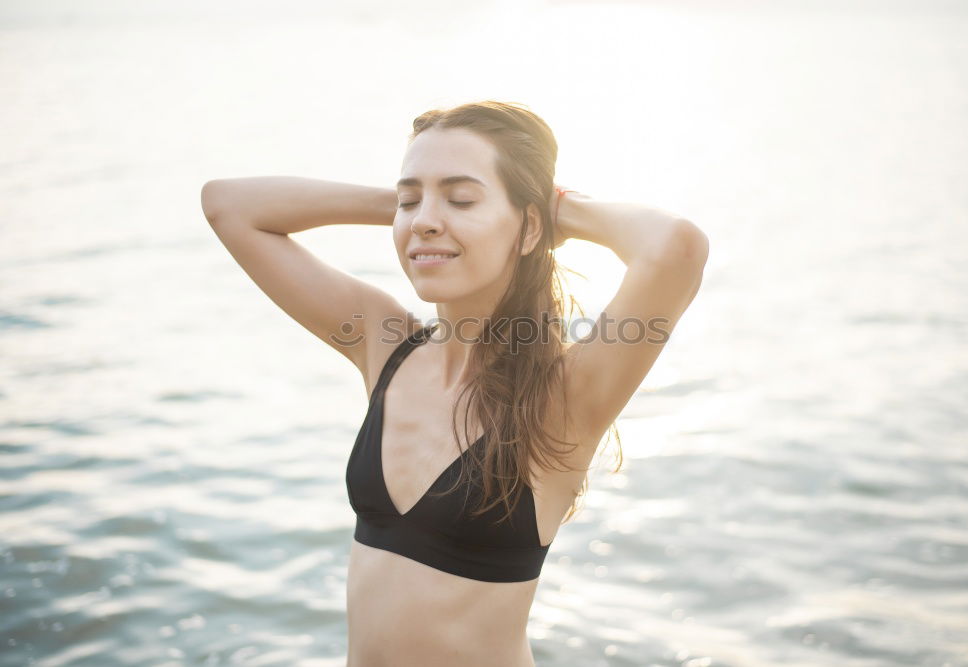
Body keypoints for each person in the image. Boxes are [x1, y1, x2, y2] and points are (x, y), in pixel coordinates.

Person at [200, 100, 708, 667]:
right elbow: (229, 205)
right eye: (409, 198)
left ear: (530, 225)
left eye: (463, 198)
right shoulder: (385, 343)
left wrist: (552, 210)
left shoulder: (564, 397)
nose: (423, 221)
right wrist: (416, 207)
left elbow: (675, 247)